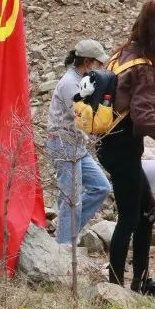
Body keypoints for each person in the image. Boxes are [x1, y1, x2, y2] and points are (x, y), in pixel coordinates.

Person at [97, 0, 155, 296]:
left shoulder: (121, 54)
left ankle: (140, 280)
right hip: (123, 146)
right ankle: (117, 286)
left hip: (109, 143)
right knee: (130, 216)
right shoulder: (146, 68)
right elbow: (143, 115)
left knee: (146, 210)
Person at [47, 39, 114, 245]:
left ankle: (68, 231)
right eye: (98, 62)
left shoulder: (83, 79)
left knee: (101, 188)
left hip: (77, 145)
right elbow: (82, 118)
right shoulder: (70, 83)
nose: (101, 66)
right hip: (63, 144)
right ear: (87, 61)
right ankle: (65, 246)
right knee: (71, 199)